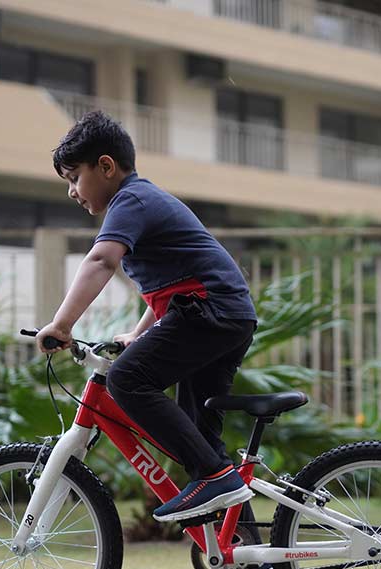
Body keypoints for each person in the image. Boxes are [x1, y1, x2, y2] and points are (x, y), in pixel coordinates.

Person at [35, 110, 260, 524]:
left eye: (73, 178)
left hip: (211, 311)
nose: (71, 192)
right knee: (201, 435)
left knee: (126, 380)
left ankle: (213, 477)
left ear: (106, 166)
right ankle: (242, 551)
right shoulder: (141, 203)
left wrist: (62, 324)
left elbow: (101, 261)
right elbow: (168, 291)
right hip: (224, 314)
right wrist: (138, 333)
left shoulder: (131, 200)